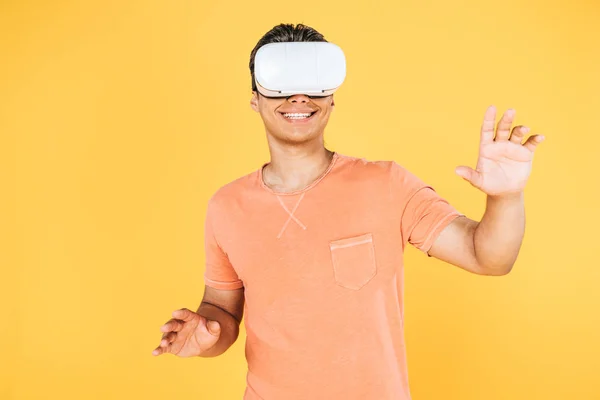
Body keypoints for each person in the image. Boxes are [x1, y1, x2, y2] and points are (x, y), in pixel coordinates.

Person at [152, 23, 545, 400]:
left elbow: (488, 257)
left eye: (313, 82)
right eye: (279, 84)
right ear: (255, 98)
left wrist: (506, 197)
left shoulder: (387, 184)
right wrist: (205, 336)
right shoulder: (226, 206)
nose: (298, 97)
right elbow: (220, 310)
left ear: (332, 97)